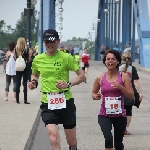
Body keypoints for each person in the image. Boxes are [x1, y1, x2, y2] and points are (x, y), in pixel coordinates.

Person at [28, 29, 86, 150]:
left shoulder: (66, 57)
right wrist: (34, 82)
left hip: (66, 101)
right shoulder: (38, 59)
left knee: (72, 142)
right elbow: (35, 74)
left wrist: (68, 84)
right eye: (46, 41)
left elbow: (82, 76)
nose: (49, 44)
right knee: (53, 138)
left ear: (58, 41)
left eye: (52, 41)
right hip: (48, 102)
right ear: (43, 43)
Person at [92, 49, 134, 150]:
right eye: (108, 59)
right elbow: (93, 93)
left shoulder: (123, 76)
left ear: (118, 61)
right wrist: (95, 96)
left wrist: (121, 87)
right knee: (108, 139)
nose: (110, 61)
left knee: (118, 144)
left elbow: (131, 96)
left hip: (120, 115)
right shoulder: (99, 77)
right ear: (105, 61)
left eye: (113, 59)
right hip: (104, 114)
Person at [119, 52, 143, 135]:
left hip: (119, 91)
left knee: (119, 110)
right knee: (128, 111)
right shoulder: (132, 69)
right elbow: (135, 81)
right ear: (130, 59)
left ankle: (119, 127)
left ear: (122, 58)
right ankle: (125, 128)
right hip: (130, 92)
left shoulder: (118, 68)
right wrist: (139, 92)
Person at [15, 37, 30, 104]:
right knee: (24, 83)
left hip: (18, 68)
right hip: (25, 67)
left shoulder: (16, 49)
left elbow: (15, 58)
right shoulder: (27, 49)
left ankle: (17, 100)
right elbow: (29, 59)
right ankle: (25, 100)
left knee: (18, 83)